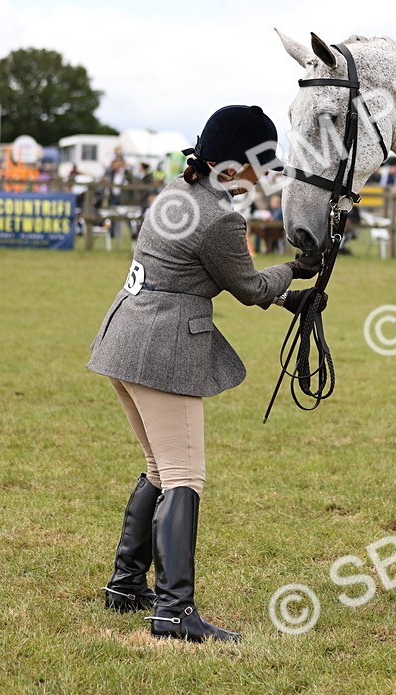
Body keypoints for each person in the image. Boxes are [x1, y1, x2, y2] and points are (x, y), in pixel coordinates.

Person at [87, 105, 322, 643]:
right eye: (259, 166)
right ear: (231, 165)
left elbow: (199, 272)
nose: (262, 178)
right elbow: (249, 289)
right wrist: (295, 270)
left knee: (158, 468)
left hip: (125, 337)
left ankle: (126, 584)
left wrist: (288, 296)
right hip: (161, 349)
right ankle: (174, 612)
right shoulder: (219, 217)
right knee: (183, 476)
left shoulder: (179, 190)